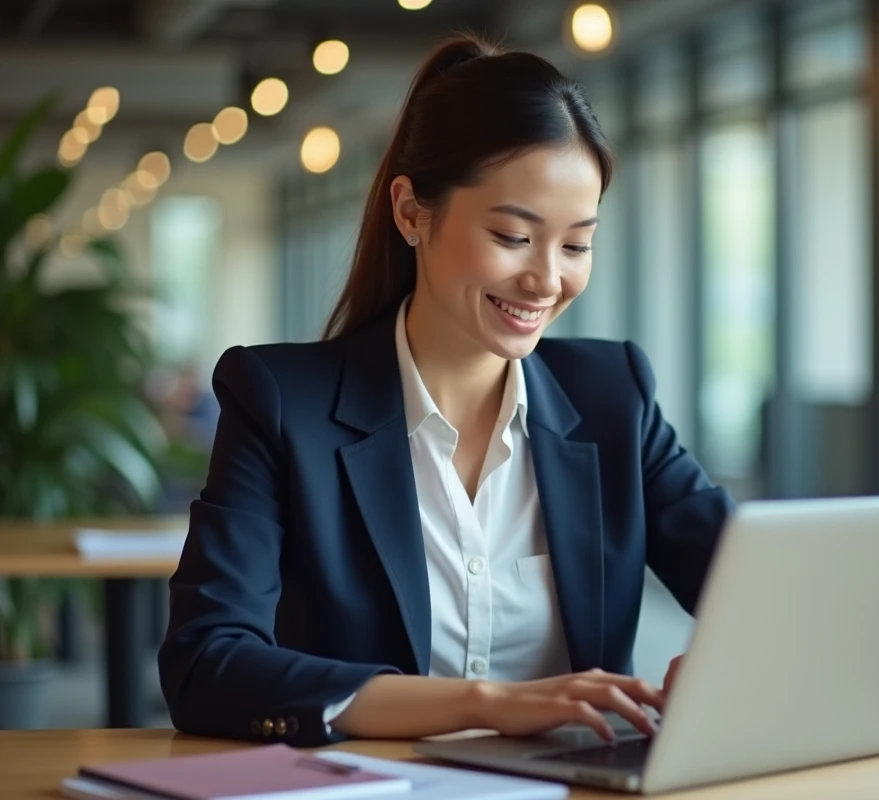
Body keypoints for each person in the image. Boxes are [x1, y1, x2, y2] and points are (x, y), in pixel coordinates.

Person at [157, 33, 733, 748]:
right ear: (411, 212)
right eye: (513, 236)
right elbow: (206, 664)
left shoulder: (614, 396)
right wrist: (484, 703)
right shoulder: (282, 403)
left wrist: (732, 665)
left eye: (576, 244)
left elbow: (755, 586)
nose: (548, 279)